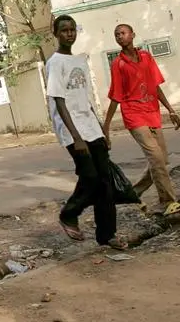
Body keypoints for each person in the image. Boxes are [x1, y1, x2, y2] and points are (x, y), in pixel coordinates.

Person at [46, 15, 126, 250]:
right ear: (56, 34)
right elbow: (59, 102)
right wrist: (76, 137)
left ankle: (107, 234)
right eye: (64, 31)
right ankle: (69, 213)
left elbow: (86, 99)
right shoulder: (55, 63)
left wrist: (102, 129)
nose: (69, 34)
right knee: (90, 176)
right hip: (72, 129)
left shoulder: (80, 60)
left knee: (105, 182)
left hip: (91, 127)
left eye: (72, 30)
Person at [103, 24, 180, 216]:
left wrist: (170, 110)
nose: (119, 37)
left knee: (161, 160)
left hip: (152, 112)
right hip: (134, 115)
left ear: (132, 35)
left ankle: (132, 194)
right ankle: (168, 202)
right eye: (116, 35)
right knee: (156, 157)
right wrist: (106, 127)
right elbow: (116, 96)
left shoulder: (147, 57)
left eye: (123, 33)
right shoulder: (118, 64)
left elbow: (154, 86)